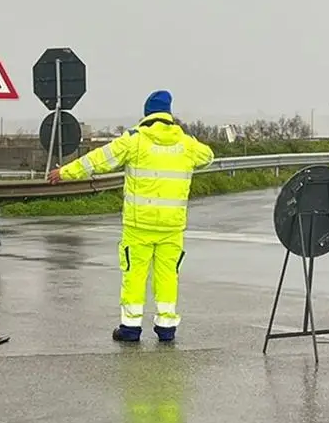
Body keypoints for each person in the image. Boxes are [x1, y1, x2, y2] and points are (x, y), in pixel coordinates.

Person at [49, 90, 214, 342]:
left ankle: (130, 328)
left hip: (139, 226)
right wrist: (186, 138)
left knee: (134, 275)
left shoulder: (134, 140)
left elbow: (98, 160)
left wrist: (64, 172)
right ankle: (166, 328)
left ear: (147, 114)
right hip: (172, 227)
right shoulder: (186, 144)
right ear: (169, 114)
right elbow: (208, 157)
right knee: (168, 276)